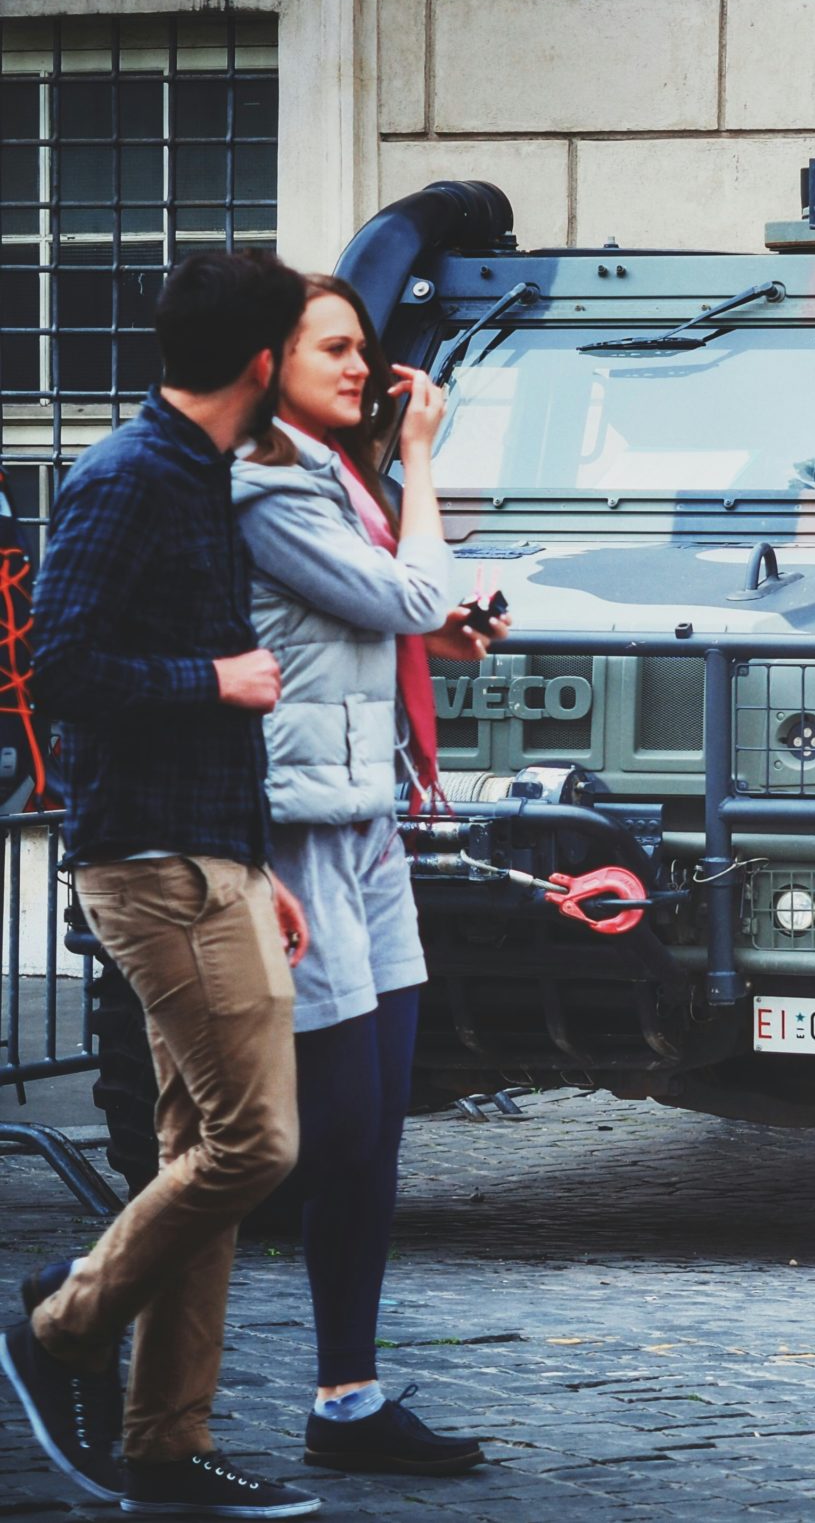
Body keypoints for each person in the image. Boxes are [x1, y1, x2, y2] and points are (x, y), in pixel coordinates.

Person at [8, 250, 323, 1517]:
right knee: (256, 1145)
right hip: (151, 863)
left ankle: (166, 1443)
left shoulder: (198, 473)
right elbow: (59, 668)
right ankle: (63, 1324)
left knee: (199, 1150)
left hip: (211, 857)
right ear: (263, 362)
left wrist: (258, 863)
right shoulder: (130, 477)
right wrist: (216, 680)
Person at [233, 275, 501, 1476]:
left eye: (363, 348)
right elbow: (410, 588)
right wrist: (424, 462)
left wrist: (436, 624)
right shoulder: (269, 486)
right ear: (268, 362)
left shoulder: (337, 479)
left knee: (375, 1130)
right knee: (315, 1137)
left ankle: (349, 1396)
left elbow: (390, 612)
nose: (358, 367)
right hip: (298, 830)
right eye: (333, 348)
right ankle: (78, 1301)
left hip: (367, 819)